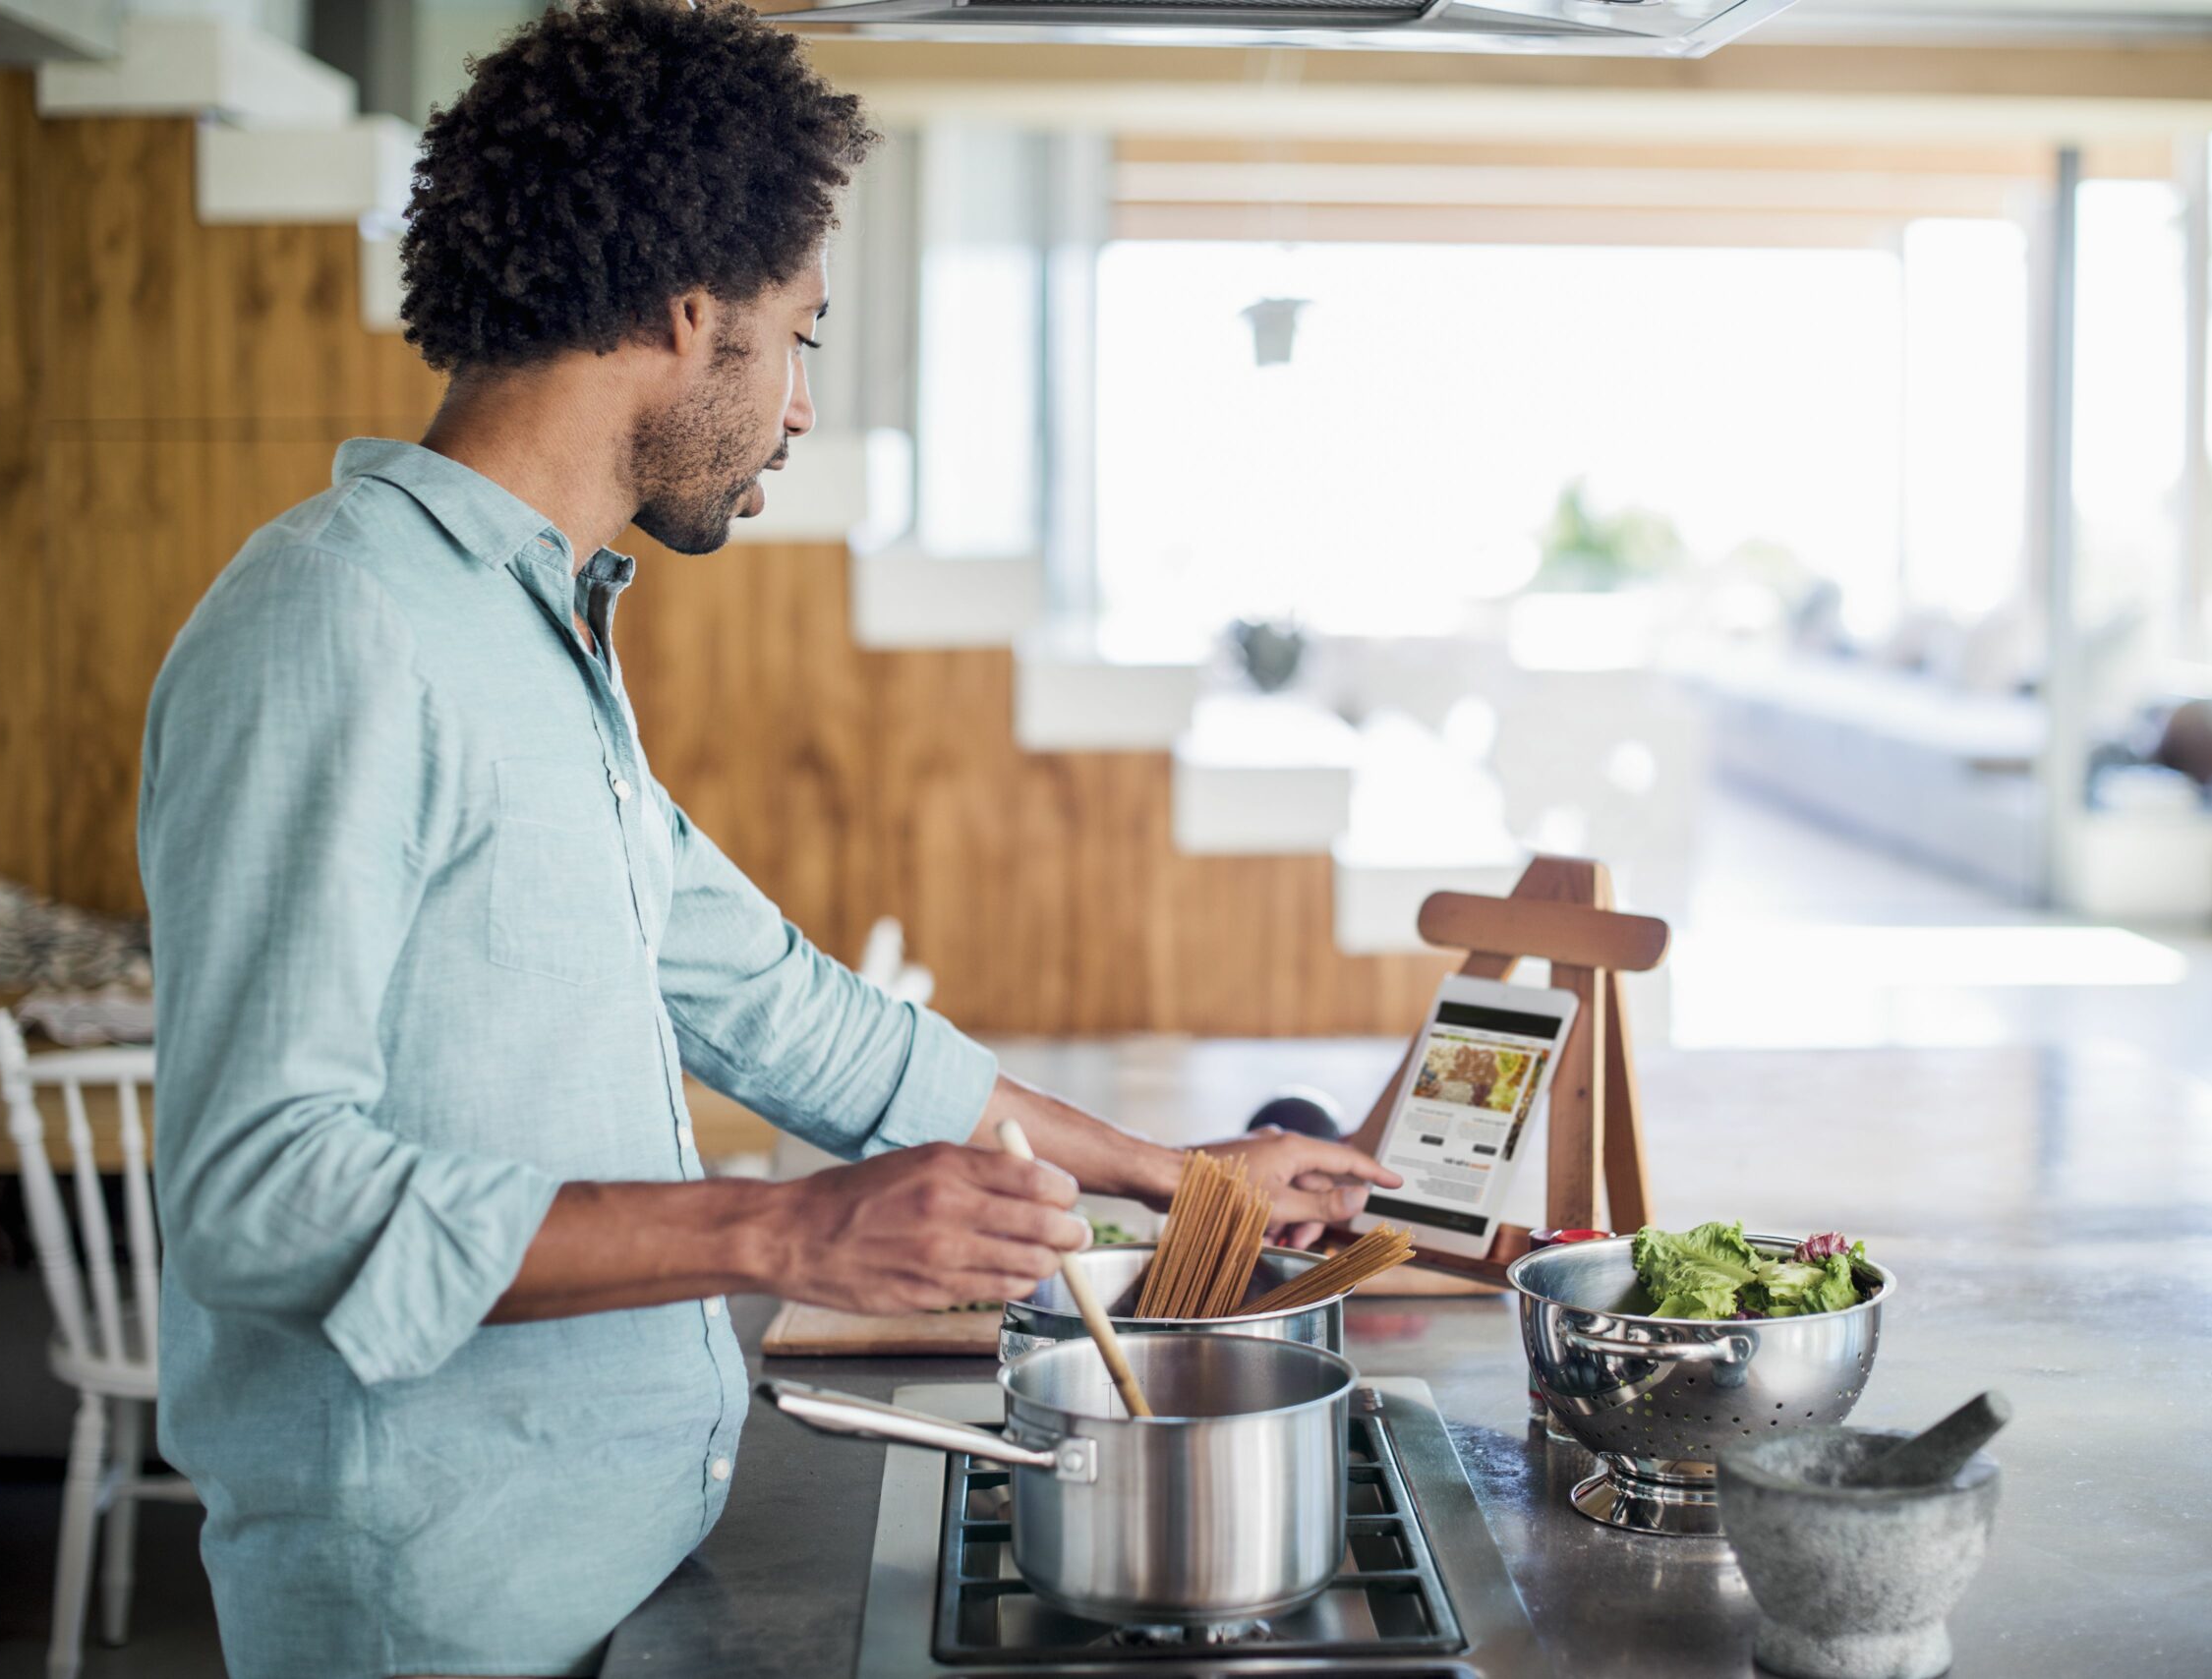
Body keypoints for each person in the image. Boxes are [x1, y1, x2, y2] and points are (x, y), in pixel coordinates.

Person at [135, 5, 1399, 1675]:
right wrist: (787, 1233)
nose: (801, 408)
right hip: (437, 1619)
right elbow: (263, 1198)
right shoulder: (337, 623)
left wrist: (1181, 1182)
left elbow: (795, 1013)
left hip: (622, 1570)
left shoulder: (534, 638)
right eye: (799, 336)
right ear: (688, 314)